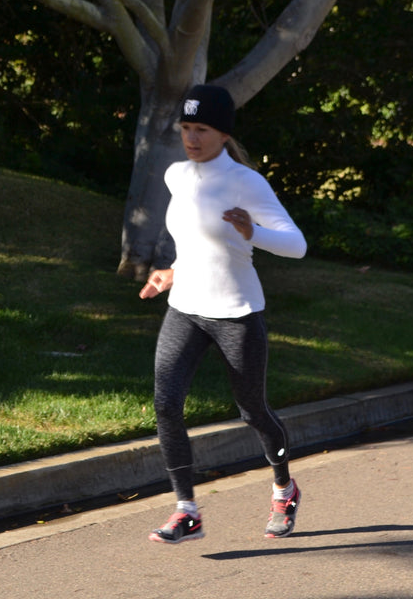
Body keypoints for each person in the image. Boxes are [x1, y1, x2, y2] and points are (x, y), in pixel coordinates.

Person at [139, 84, 307, 544]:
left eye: (202, 129)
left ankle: (284, 488)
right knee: (166, 404)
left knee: (253, 412)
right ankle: (186, 511)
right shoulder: (177, 175)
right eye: (186, 128)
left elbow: (297, 245)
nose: (191, 138)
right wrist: (172, 272)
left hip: (236, 313)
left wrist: (254, 232)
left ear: (224, 134)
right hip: (185, 308)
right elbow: (194, 240)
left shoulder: (247, 183)